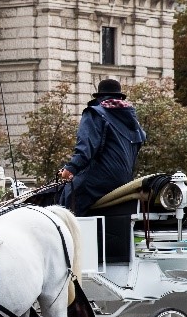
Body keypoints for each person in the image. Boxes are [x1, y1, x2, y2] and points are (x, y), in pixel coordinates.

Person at [58, 79, 147, 215]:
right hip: (125, 181)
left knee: (68, 196)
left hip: (100, 179)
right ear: (120, 97)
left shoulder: (94, 113)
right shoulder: (132, 120)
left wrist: (70, 169)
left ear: (99, 97)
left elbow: (85, 148)